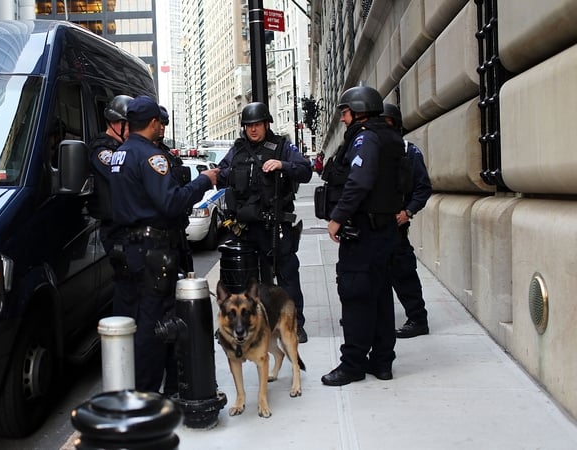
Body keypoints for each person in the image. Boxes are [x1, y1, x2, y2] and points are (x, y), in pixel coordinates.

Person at [109, 95, 219, 393]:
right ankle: (149, 394)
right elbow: (171, 202)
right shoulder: (150, 156)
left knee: (131, 322)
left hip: (128, 249)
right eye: (160, 123)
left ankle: (137, 388)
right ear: (154, 123)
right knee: (154, 325)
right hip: (152, 252)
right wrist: (204, 181)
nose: (162, 128)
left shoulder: (120, 153)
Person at [320, 86, 406, 386]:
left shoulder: (365, 137)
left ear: (358, 111)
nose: (343, 119)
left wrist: (337, 218)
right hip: (385, 232)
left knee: (356, 297)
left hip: (364, 233)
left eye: (345, 112)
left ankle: (353, 365)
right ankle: (382, 363)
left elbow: (359, 182)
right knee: (381, 296)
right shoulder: (390, 136)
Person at [217, 101, 313, 343]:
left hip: (275, 227)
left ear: (266, 124)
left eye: (257, 124)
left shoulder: (281, 146)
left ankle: (295, 324)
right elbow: (220, 174)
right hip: (246, 229)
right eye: (248, 125)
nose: (253, 130)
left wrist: (283, 165)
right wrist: (230, 175)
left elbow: (305, 170)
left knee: (288, 276)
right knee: (248, 281)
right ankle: (251, 323)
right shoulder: (237, 150)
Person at [381, 103, 433, 338]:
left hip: (397, 224)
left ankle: (417, 319)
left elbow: (423, 188)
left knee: (404, 272)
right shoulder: (372, 151)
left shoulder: (409, 152)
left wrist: (407, 212)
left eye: (387, 123)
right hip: (374, 226)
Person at [87, 94, 134, 316]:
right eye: (129, 125)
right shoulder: (102, 149)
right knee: (126, 288)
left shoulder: (124, 147)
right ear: (116, 123)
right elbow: (121, 174)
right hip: (115, 230)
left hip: (127, 229)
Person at [156, 105, 193, 275]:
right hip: (158, 232)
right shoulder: (147, 154)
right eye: (159, 123)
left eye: (164, 123)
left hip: (177, 228)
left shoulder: (169, 154)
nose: (162, 127)